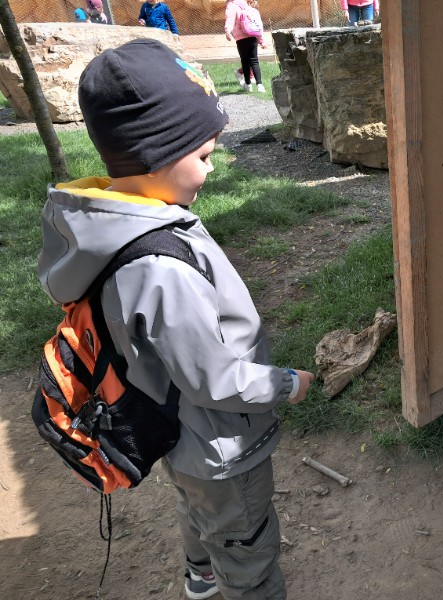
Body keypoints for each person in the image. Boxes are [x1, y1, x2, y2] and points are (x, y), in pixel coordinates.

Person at [39, 39, 314, 600]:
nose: (212, 167)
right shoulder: (161, 267)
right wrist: (288, 383)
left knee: (196, 506)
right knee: (245, 539)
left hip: (178, 432)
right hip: (221, 443)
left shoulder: (114, 222)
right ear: (157, 154)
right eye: (205, 155)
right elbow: (214, 379)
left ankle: (200, 573)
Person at [224, 0, 266, 93]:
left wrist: (227, 30)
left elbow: (230, 18)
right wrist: (261, 41)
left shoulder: (232, 4)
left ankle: (248, 85)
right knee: (254, 61)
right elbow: (259, 24)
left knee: (245, 62)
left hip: (241, 37)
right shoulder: (249, 6)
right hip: (253, 35)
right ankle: (260, 85)